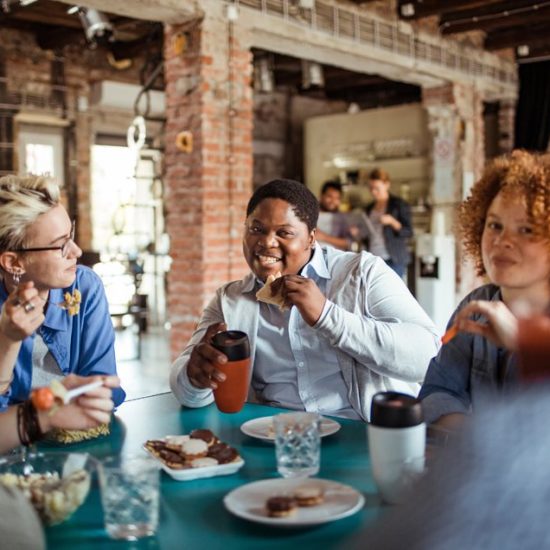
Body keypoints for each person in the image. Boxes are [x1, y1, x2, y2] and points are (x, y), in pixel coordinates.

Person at [170, 179, 439, 421]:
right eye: (256, 229)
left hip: (361, 433)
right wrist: (195, 378)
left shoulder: (362, 273)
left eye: (284, 233)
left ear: (311, 238)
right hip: (271, 437)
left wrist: (326, 316)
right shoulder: (230, 300)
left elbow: (427, 356)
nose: (266, 242)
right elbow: (186, 393)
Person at [419, 150, 550, 429]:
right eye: (495, 225)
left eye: (526, 229)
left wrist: (524, 342)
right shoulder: (476, 305)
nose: (503, 241)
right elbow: (437, 389)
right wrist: (470, 438)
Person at [0, 174, 125, 409]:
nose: (76, 251)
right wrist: (7, 341)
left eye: (71, 236)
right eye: (60, 245)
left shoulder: (85, 287)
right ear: (14, 262)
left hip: (79, 437)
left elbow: (105, 388)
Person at [363, 168, 413, 277]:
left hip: (393, 259)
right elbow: (367, 233)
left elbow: (408, 232)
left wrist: (392, 221)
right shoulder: (368, 208)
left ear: (386, 185)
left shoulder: (399, 204)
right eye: (371, 188)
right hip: (373, 258)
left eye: (377, 188)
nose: (373, 191)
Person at [315, 180, 355, 251]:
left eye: (337, 198)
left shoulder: (342, 218)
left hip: (334, 257)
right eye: (329, 196)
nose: (333, 201)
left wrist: (324, 237)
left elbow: (349, 243)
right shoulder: (310, 214)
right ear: (322, 196)